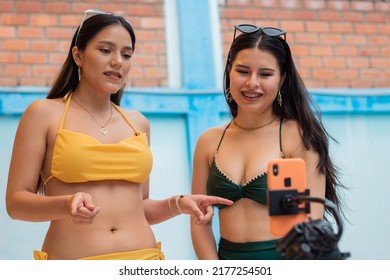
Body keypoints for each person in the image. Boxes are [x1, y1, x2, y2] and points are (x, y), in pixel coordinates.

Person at [5, 10, 232, 260]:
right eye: (105, 50)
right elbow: (16, 204)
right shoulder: (43, 114)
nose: (118, 62)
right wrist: (65, 204)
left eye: (126, 54)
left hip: (144, 261)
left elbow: (140, 207)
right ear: (78, 55)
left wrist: (178, 204)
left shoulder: (137, 123)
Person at [190, 24, 344, 260]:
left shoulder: (298, 136)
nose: (252, 83)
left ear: (282, 79)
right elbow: (199, 221)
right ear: (229, 71)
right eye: (242, 71)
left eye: (265, 74)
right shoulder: (209, 142)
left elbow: (311, 223)